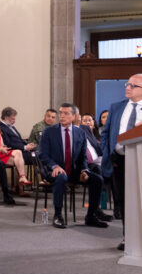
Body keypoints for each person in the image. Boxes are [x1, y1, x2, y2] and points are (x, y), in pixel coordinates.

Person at [39, 103, 107, 229]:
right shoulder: (49, 132)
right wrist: (54, 166)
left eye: (66, 113)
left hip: (74, 171)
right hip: (53, 171)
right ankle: (58, 216)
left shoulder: (80, 133)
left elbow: (83, 157)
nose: (62, 116)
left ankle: (91, 216)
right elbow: (42, 154)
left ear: (74, 116)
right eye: (60, 113)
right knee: (61, 177)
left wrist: (84, 170)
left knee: (98, 179)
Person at [101, 74, 142, 251]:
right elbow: (105, 132)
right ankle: (128, 237)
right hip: (120, 161)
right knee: (124, 200)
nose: (127, 88)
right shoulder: (116, 107)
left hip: (140, 160)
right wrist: (107, 152)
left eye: (133, 86)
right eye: (127, 84)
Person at [0, 107, 30, 195]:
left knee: (18, 155)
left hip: (1, 152)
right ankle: (20, 183)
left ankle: (20, 183)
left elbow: (2, 144)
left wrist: (3, 148)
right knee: (19, 157)